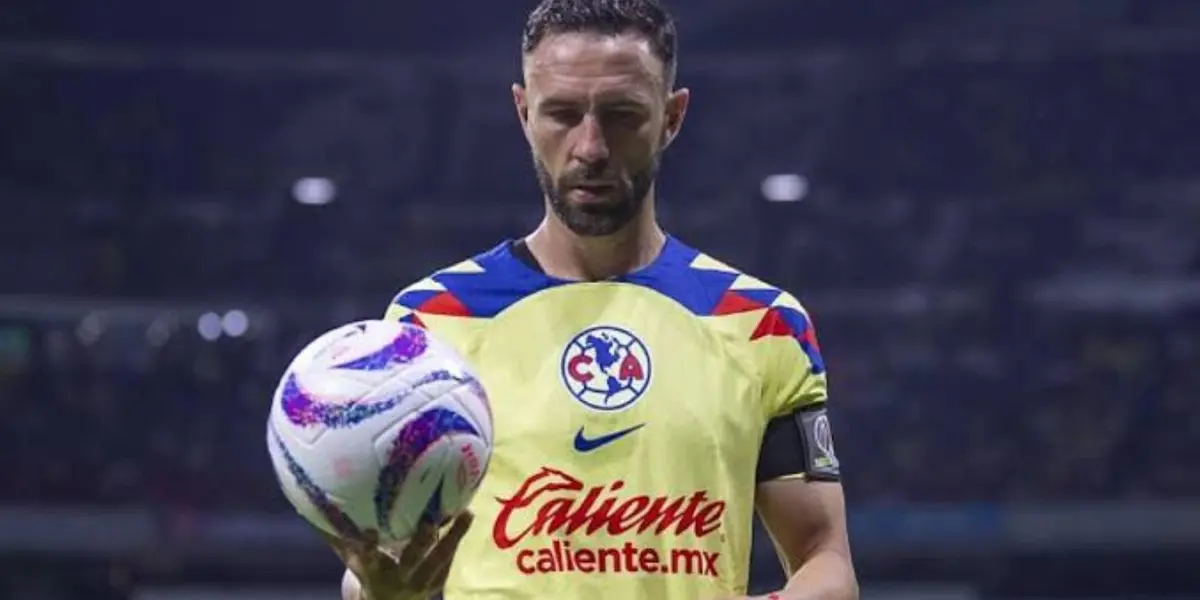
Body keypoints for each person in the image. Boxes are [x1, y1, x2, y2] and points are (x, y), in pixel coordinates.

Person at [332, 0, 857, 598]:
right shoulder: (430, 323)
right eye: (561, 113)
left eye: (621, 115)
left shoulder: (760, 323)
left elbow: (826, 559)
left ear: (672, 117)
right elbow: (382, 560)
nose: (590, 147)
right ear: (523, 112)